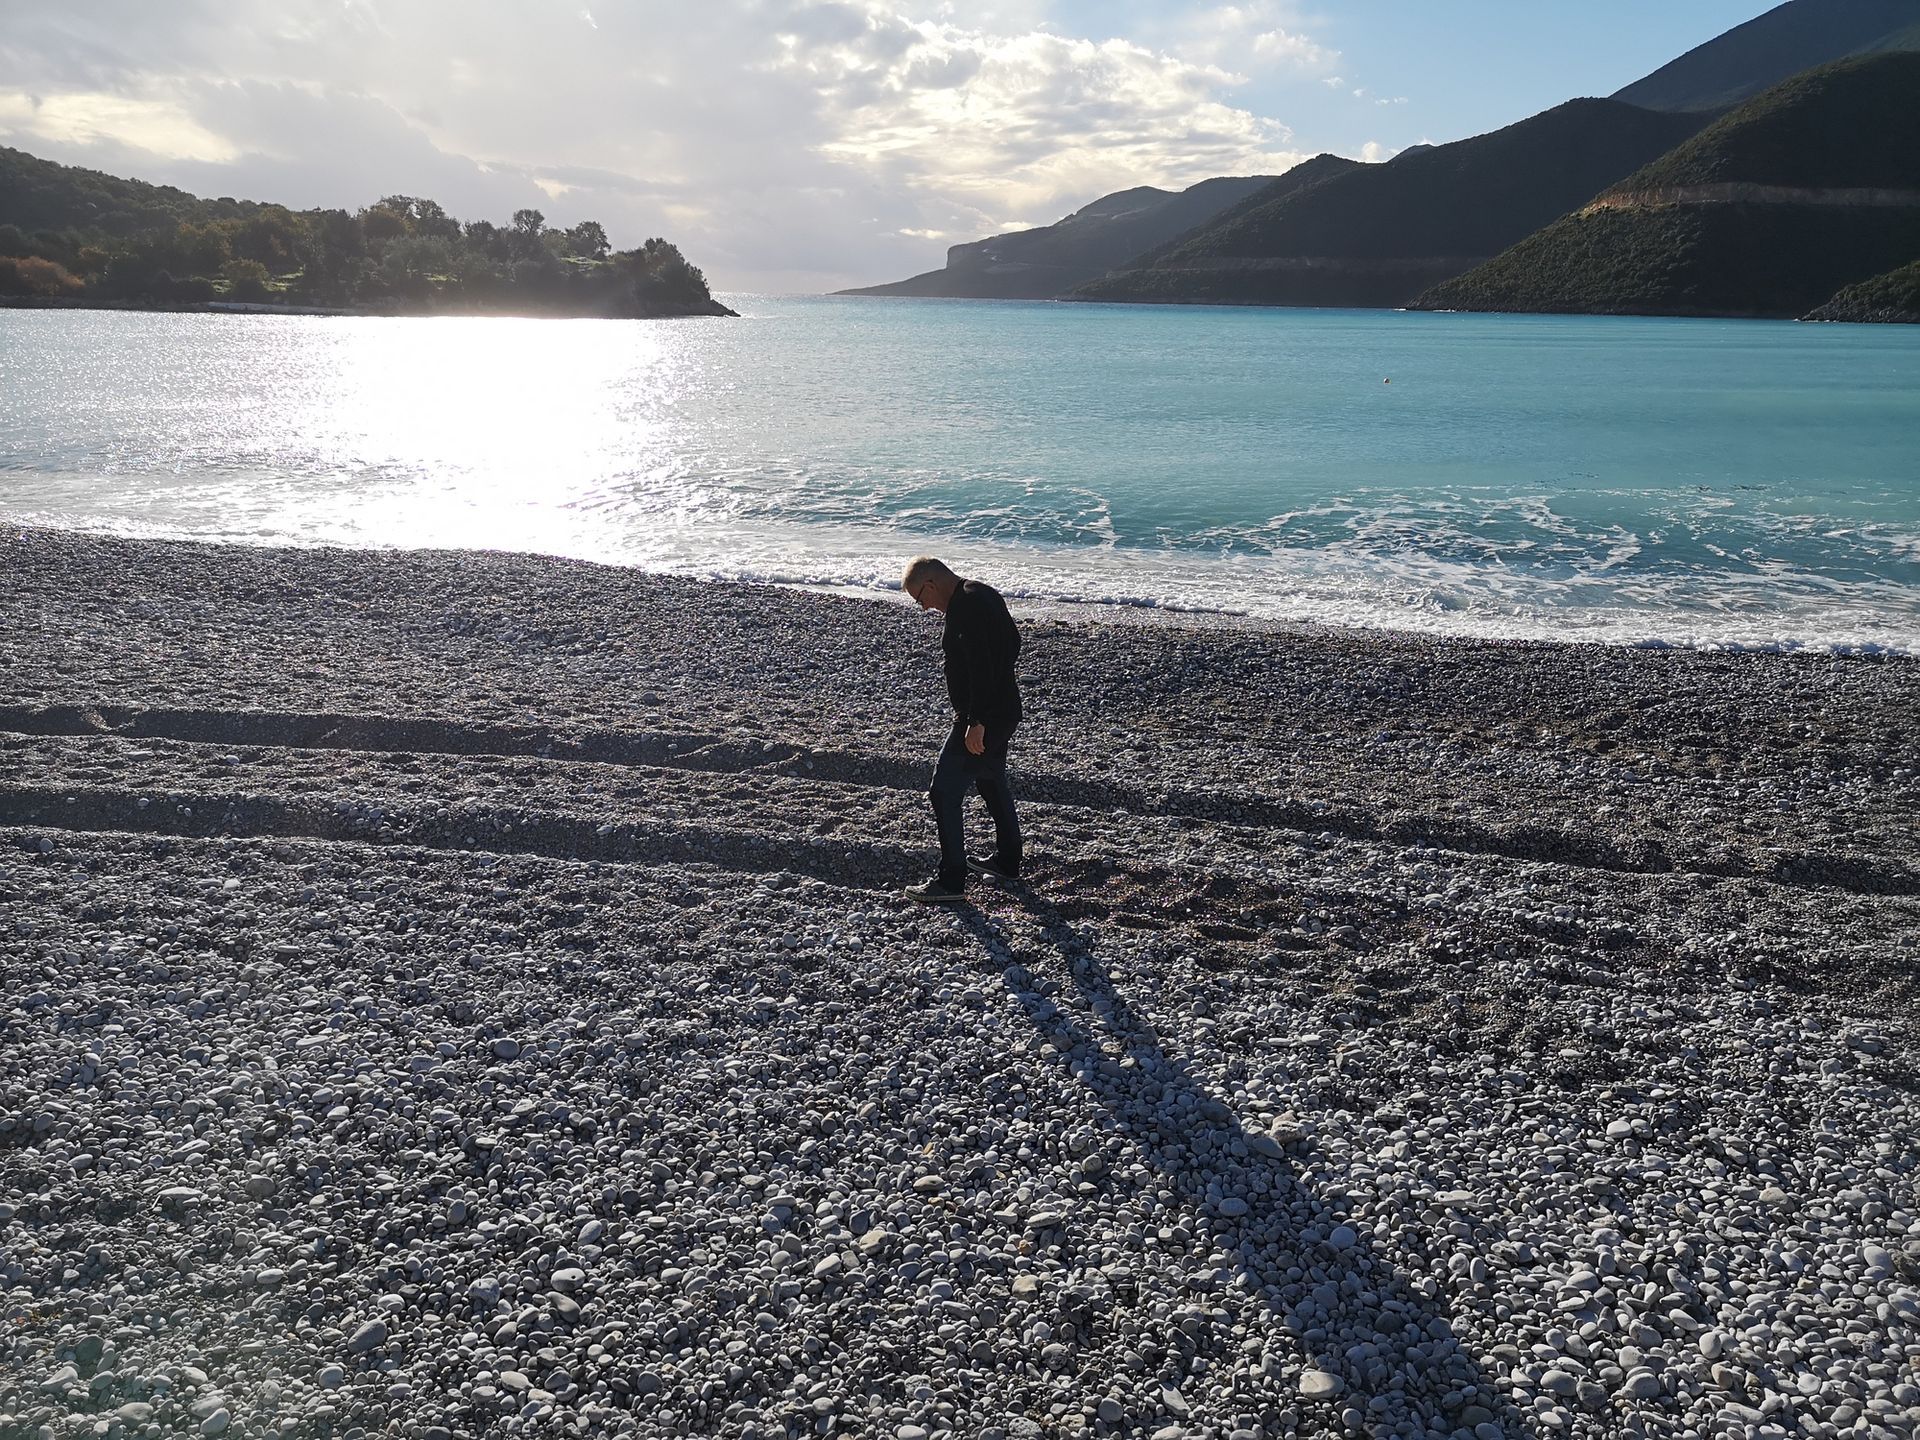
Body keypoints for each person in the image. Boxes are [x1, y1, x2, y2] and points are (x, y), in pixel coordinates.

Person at [900, 556, 1023, 904]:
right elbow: (1013, 644)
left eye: (920, 599)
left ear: (931, 584)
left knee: (943, 791)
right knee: (990, 779)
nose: (924, 608)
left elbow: (981, 667)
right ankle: (1008, 861)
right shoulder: (983, 593)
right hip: (1005, 710)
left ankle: (951, 881)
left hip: (983, 718)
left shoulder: (965, 608)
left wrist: (975, 721)